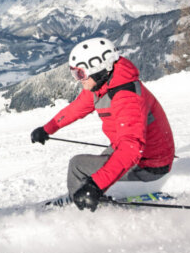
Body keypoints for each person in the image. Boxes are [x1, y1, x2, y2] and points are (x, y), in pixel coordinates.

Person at [30, 38, 175, 211]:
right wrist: (47, 129)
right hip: (138, 152)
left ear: (98, 69)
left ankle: (78, 208)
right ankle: (84, 195)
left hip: (150, 165)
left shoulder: (126, 97)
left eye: (80, 74)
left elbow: (131, 149)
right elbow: (76, 109)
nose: (78, 80)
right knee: (96, 167)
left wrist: (96, 186)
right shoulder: (102, 85)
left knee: (78, 166)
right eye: (75, 74)